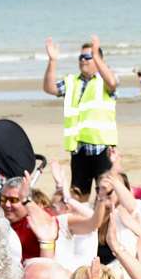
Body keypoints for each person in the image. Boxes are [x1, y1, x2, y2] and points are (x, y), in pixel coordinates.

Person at [42, 34, 118, 197]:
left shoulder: (104, 79)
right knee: (77, 196)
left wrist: (96, 56)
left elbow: (112, 83)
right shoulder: (71, 81)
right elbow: (49, 88)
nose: (83, 60)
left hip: (102, 148)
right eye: (81, 57)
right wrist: (52, 61)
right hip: (79, 150)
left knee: (104, 196)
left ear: (98, 60)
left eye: (88, 57)